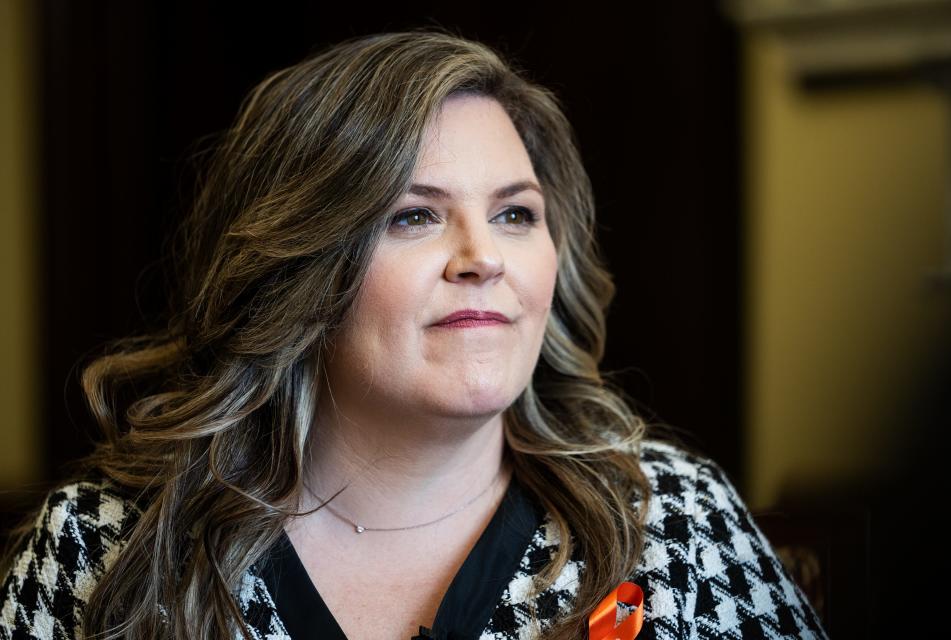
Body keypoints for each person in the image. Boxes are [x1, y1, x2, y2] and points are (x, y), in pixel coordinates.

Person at [0, 29, 828, 640]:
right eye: (413, 216)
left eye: (514, 213)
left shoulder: (674, 517)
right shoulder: (104, 545)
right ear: (297, 264)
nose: (483, 259)